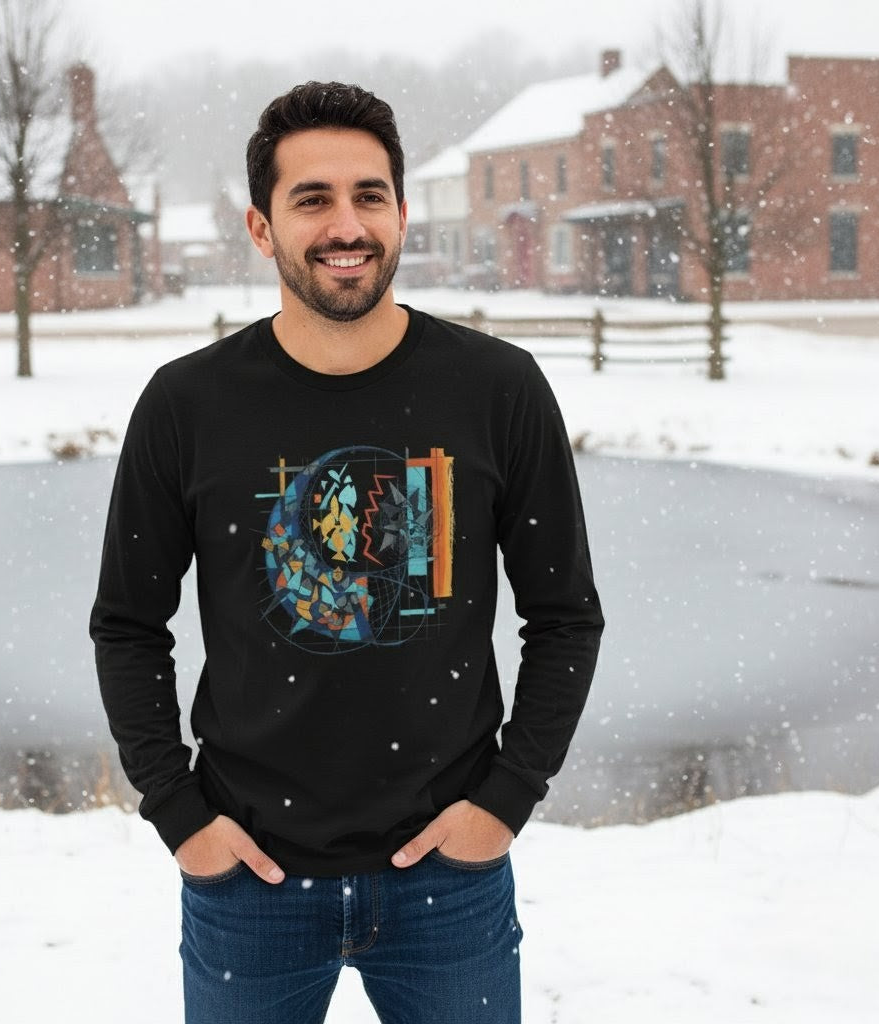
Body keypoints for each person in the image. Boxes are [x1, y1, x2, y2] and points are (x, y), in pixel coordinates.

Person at [90, 81, 603, 1024]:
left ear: (402, 213)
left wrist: (505, 801)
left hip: (447, 884)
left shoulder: (497, 389)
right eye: (312, 198)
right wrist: (181, 815)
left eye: (369, 195)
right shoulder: (187, 405)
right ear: (260, 226)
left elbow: (565, 617)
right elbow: (127, 626)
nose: (346, 224)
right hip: (249, 881)